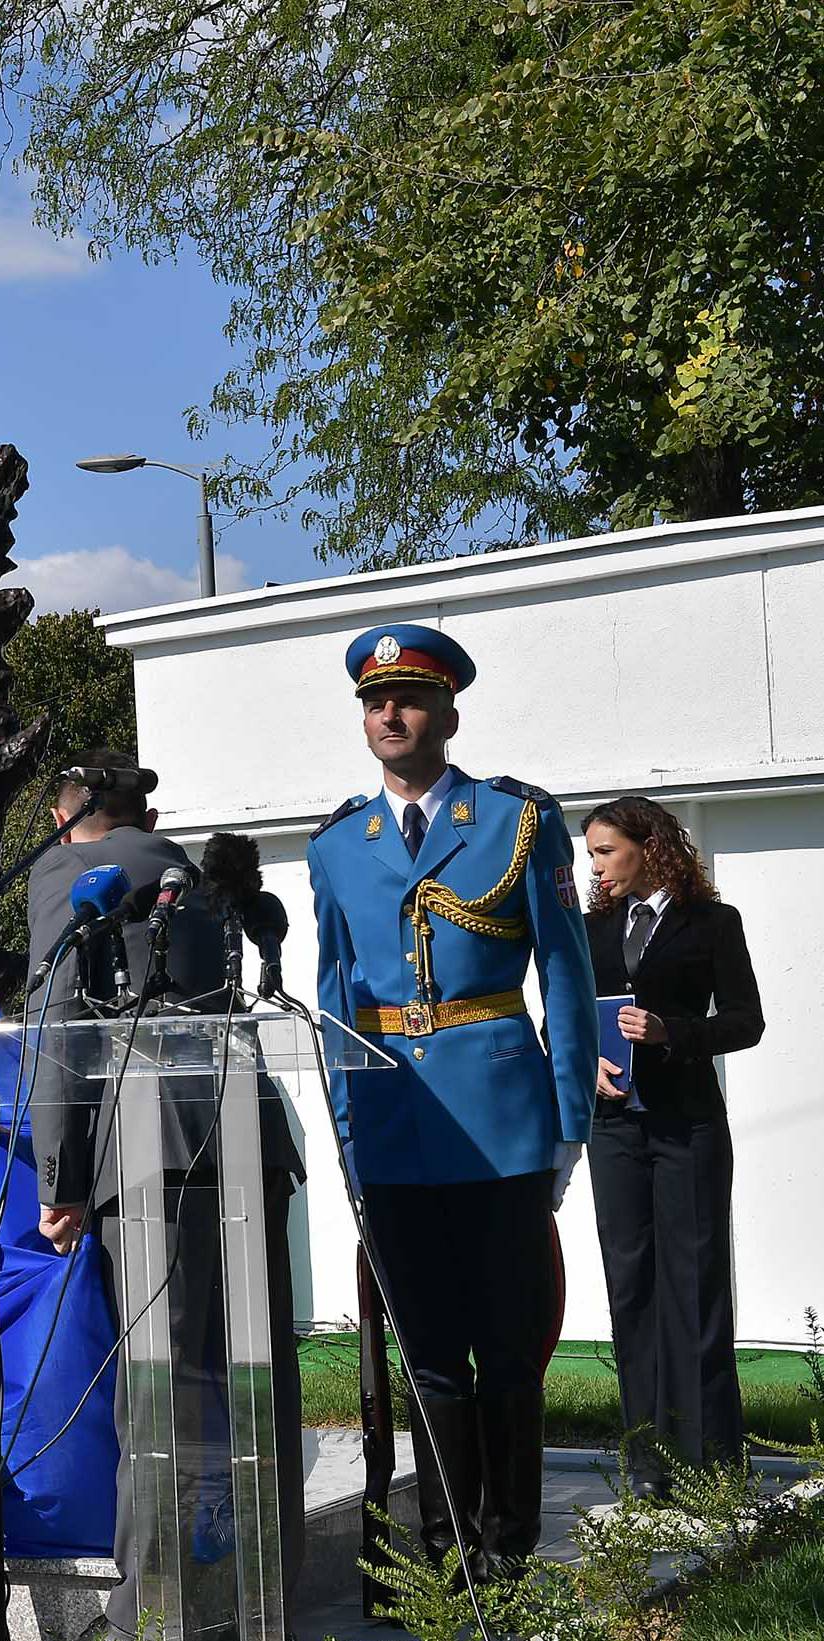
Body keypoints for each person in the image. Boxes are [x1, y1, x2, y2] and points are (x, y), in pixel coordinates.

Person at [306, 624, 596, 1580]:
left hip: (504, 1121)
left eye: (411, 697)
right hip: (393, 1129)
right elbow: (339, 995)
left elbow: (564, 972)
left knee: (508, 1351)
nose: (389, 713)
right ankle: (446, 1560)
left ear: (448, 712)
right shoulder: (341, 843)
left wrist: (568, 1123)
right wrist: (347, 1133)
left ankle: (508, 1550)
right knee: (427, 1356)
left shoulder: (514, 821)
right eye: (375, 700)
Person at [22, 750, 308, 1641]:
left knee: (167, 1386)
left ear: (73, 814)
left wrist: (58, 1176)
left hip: (152, 1150)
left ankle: (157, 1621)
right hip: (242, 1139)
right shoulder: (196, 869)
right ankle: (258, 1608)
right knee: (253, 1374)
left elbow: (58, 1017)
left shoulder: (72, 872)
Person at [580, 796, 763, 1495]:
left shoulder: (712, 923)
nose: (594, 865)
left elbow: (746, 1021)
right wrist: (580, 1062)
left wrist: (673, 1034)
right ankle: (648, 1466)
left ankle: (712, 1464)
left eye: (604, 850)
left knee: (694, 1287)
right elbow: (561, 1021)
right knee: (632, 1290)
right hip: (616, 1129)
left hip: (687, 1128)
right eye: (591, 852)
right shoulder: (589, 929)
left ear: (648, 846)